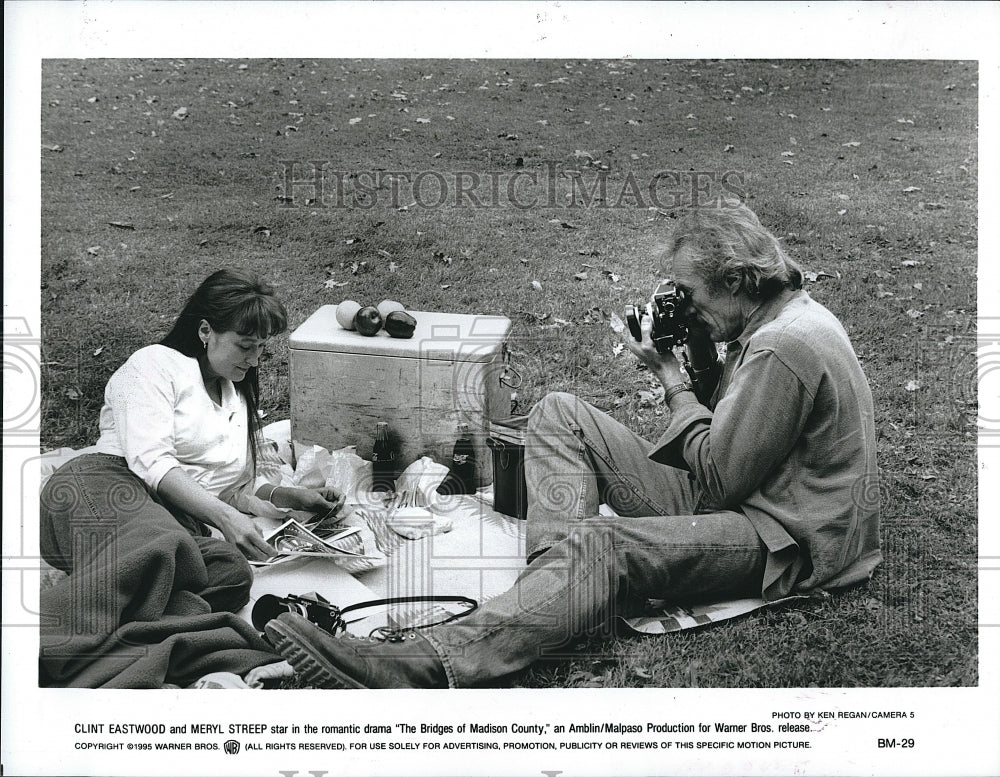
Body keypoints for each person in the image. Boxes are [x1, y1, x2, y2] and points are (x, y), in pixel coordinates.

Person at [264, 202, 883, 689]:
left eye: (691, 295)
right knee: (560, 412)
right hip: (756, 498)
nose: (684, 304)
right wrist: (695, 350)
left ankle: (428, 665)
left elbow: (722, 481)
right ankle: (556, 595)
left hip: (787, 537)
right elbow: (730, 436)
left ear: (736, 282)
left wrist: (669, 377)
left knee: (601, 541)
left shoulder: (781, 346)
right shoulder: (776, 319)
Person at [39, 269, 343, 688]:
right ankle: (32, 648)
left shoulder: (234, 395)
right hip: (104, 485)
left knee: (230, 571)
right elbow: (153, 464)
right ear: (205, 330)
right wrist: (223, 518)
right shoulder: (155, 365)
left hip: (169, 522)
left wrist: (291, 496)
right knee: (162, 544)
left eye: (261, 349)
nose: (254, 360)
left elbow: (231, 487)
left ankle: (131, 653)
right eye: (244, 345)